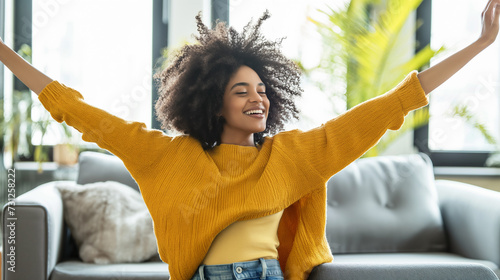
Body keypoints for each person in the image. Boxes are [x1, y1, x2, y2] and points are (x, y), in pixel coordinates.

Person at [1, 1, 499, 279]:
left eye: (263, 91)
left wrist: (478, 46)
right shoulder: (170, 157)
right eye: (242, 91)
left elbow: (389, 107)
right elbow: (81, 113)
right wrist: (7, 54)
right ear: (213, 101)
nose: (257, 99)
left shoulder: (290, 156)